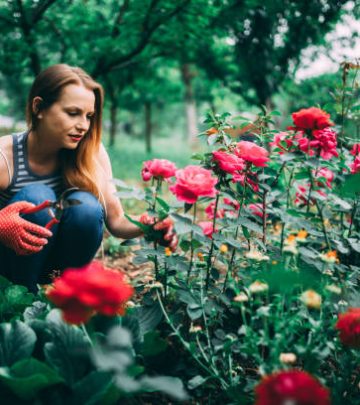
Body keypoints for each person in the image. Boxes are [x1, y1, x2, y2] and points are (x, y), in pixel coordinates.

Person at [0, 64, 176, 292]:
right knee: (38, 197)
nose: (83, 126)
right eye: (73, 113)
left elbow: (117, 222)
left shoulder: (90, 152)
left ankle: (70, 294)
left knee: (86, 207)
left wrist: (150, 225)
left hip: (55, 265)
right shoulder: (6, 157)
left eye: (89, 116)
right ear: (39, 107)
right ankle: (21, 297)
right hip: (9, 266)